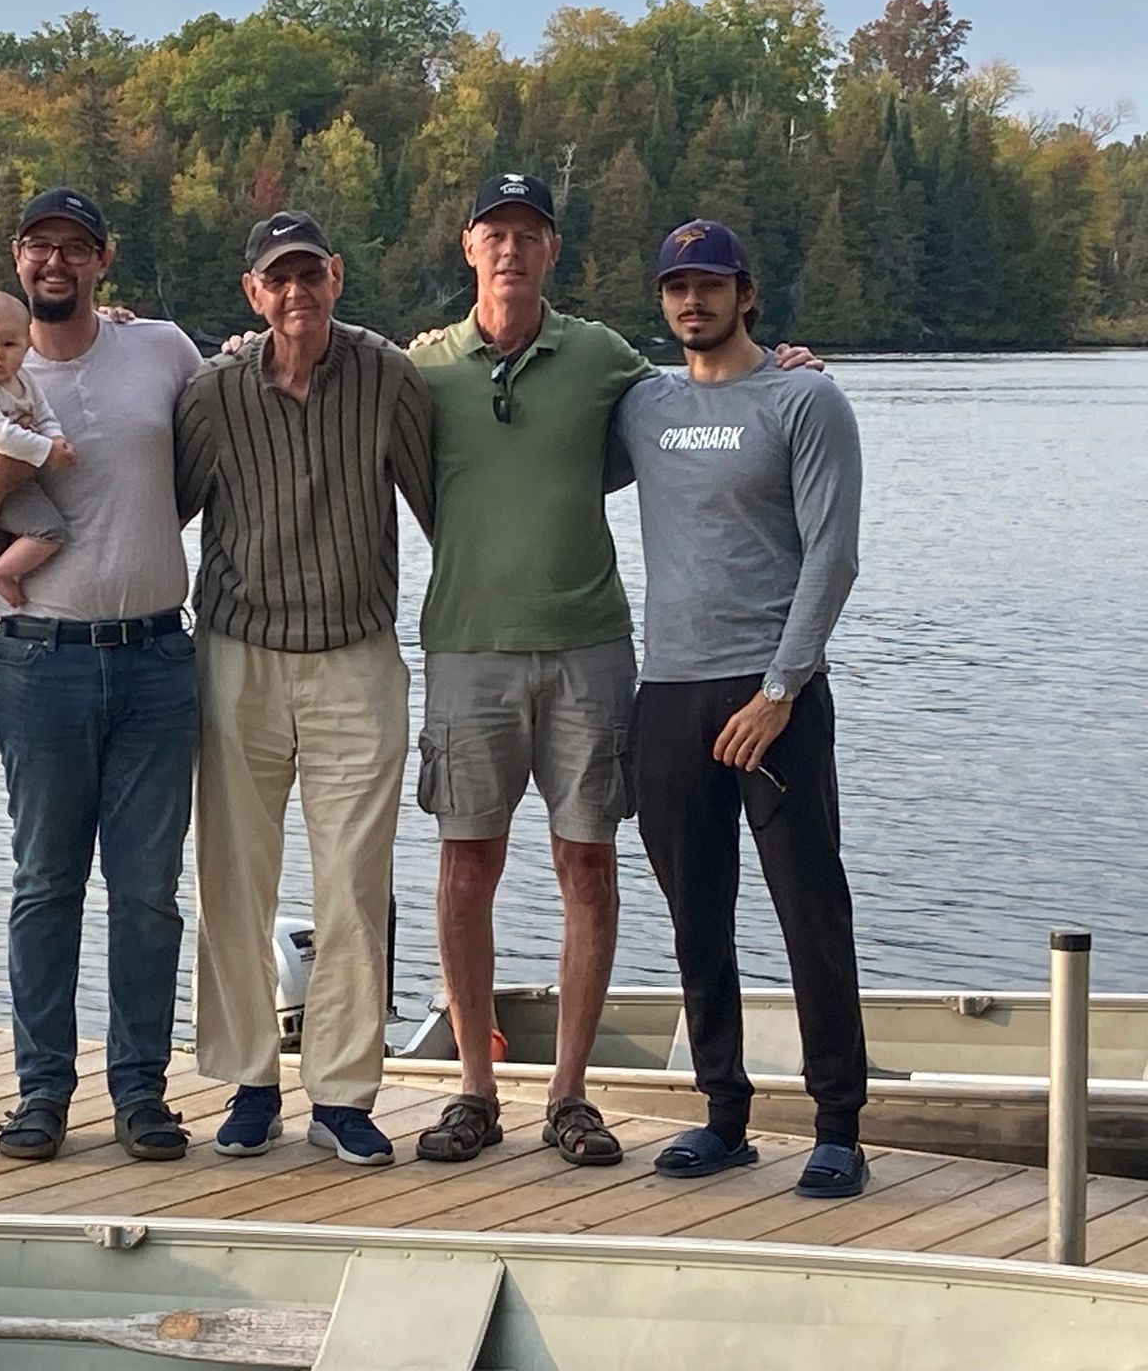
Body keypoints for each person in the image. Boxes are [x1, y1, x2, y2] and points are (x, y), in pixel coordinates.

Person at [407, 172, 820, 1167]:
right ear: (469, 248)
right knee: (467, 868)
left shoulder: (603, 360)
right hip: (466, 648)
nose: (511, 249)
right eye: (494, 232)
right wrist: (238, 346)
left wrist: (787, 370)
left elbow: (702, 394)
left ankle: (570, 1096)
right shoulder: (420, 369)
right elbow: (321, 377)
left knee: (587, 864)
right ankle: (472, 1089)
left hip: (593, 650)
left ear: (553, 252)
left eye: (530, 234)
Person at [0, 187, 204, 1162]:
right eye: (40, 246)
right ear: (17, 257)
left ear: (103, 260)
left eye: (75, 248)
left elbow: (220, 455)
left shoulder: (163, 351)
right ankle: (40, 1092)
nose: (56, 262)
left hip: (159, 663)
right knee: (46, 885)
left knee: (147, 893)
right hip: (40, 665)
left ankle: (142, 1094)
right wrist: (2, 473)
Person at [610, 220, 869, 1197]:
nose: (692, 301)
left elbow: (833, 556)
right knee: (696, 917)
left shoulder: (805, 399)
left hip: (775, 700)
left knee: (811, 910)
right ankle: (724, 1115)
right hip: (670, 695)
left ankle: (839, 1124)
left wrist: (779, 688)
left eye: (710, 285)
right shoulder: (643, 406)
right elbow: (532, 403)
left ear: (745, 294)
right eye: (676, 286)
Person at [175, 211, 434, 1167]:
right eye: (275, 281)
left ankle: (344, 1095)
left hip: (357, 661)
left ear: (336, 276)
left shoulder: (388, 377)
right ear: (253, 293)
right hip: (237, 655)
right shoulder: (213, 393)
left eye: (309, 276)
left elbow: (443, 503)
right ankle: (249, 1083)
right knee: (234, 881)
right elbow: (156, 509)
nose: (295, 295)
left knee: (354, 888)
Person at [0, 290, 79, 618]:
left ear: (28, 345)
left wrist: (57, 437)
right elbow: (0, 436)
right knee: (49, 532)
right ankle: (0, 574)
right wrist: (48, 451)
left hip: (11, 477)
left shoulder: (24, 379)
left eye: (9, 345)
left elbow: (44, 413)